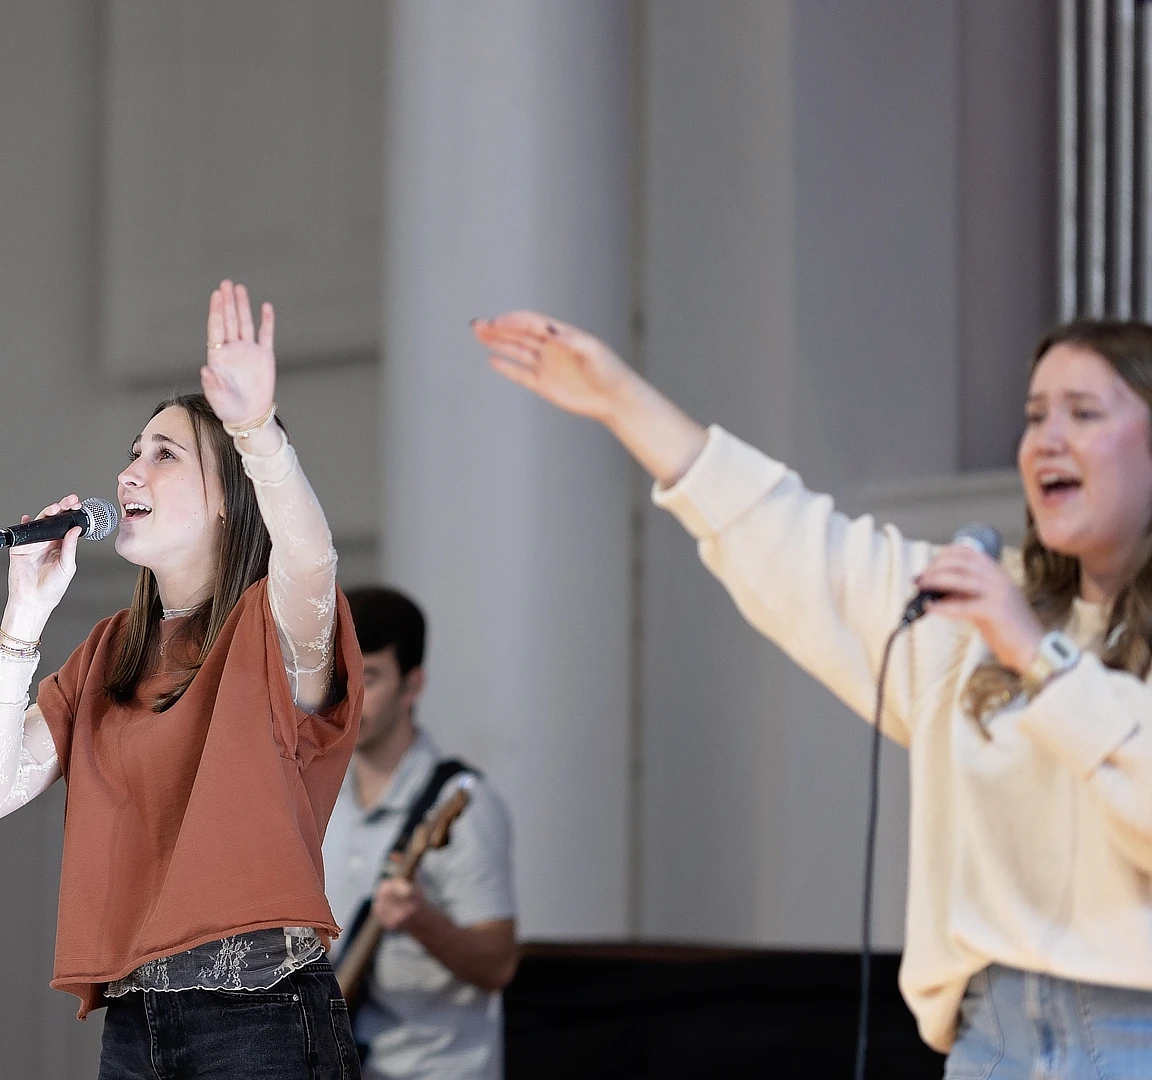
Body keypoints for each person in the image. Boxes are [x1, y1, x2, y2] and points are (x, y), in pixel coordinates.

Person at [475, 311, 1152, 1077]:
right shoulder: (981, 615)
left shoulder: (1008, 624)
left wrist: (1037, 656)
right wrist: (620, 400)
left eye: (1083, 414)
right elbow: (797, 545)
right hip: (992, 1040)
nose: (1046, 441)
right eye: (1034, 417)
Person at [0, 281, 365, 1079]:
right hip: (139, 1021)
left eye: (164, 455)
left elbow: (311, 559)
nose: (130, 473)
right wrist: (23, 619)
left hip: (262, 1011)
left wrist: (254, 429)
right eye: (133, 452)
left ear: (229, 499)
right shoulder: (111, 651)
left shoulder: (269, 627)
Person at [323, 587, 518, 1080]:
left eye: (369, 677)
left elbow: (499, 964)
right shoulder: (319, 798)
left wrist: (422, 922)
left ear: (412, 686)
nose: (350, 696)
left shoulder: (466, 806)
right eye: (339, 675)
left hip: (436, 1068)